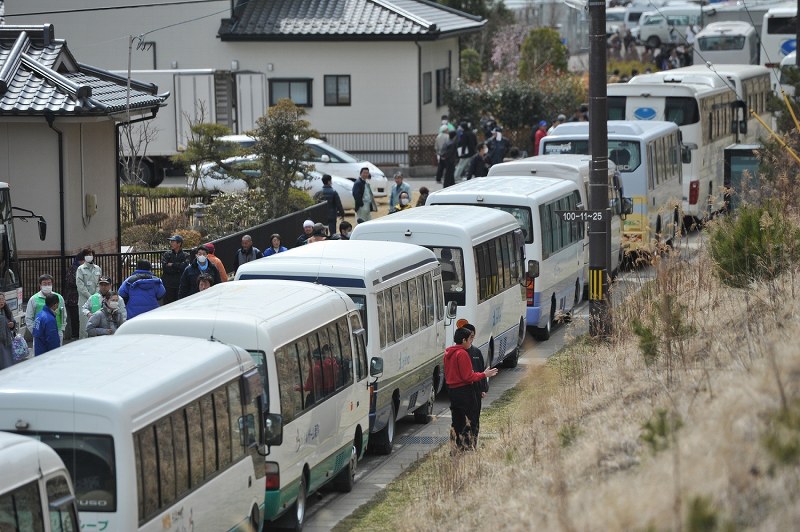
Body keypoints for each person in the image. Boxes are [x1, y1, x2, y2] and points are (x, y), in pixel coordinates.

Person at [444, 327, 497, 451]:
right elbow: (468, 377)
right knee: (469, 421)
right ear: (463, 340)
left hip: (452, 391)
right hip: (464, 392)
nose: (471, 342)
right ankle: (467, 447)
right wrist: (484, 374)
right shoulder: (462, 353)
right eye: (469, 339)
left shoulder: (448, 353)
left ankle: (455, 448)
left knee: (456, 422)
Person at [457, 320, 489, 447]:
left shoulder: (477, 352)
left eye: (473, 336)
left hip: (475, 391)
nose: (471, 339)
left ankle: (472, 444)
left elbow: (481, 370)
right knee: (461, 420)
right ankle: (460, 445)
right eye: (469, 337)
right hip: (462, 391)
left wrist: (483, 389)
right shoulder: (458, 353)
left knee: (475, 419)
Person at [25, 274, 67, 343]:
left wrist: (62, 328)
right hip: (40, 333)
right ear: (40, 285)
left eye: (49, 283)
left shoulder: (59, 297)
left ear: (52, 284)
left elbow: (63, 314)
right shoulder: (33, 299)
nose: (47, 286)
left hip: (57, 331)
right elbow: (29, 317)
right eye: (44, 284)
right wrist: (35, 331)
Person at [75, 247, 101, 339]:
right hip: (84, 301)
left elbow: (99, 283)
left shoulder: (98, 268)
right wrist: (90, 296)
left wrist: (95, 295)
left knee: (96, 324)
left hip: (96, 300)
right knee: (84, 326)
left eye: (90, 254)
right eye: (87, 255)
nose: (89, 256)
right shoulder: (80, 269)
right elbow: (80, 285)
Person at [161, 235, 188, 304]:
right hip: (168, 284)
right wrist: (178, 268)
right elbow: (165, 267)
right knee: (167, 304)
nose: (171, 243)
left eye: (173, 241)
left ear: (179, 243)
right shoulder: (167, 254)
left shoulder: (185, 255)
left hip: (180, 284)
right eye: (171, 241)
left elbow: (184, 267)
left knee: (180, 303)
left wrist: (172, 265)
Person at [63, 253, 81, 340]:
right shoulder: (73, 269)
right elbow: (71, 282)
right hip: (72, 298)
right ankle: (75, 335)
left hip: (78, 297)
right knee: (75, 317)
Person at [0, 293, 17, 370]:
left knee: (8, 364)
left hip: (7, 342)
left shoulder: (7, 311)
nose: (1, 301)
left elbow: (13, 322)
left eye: (3, 299)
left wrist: (12, 324)